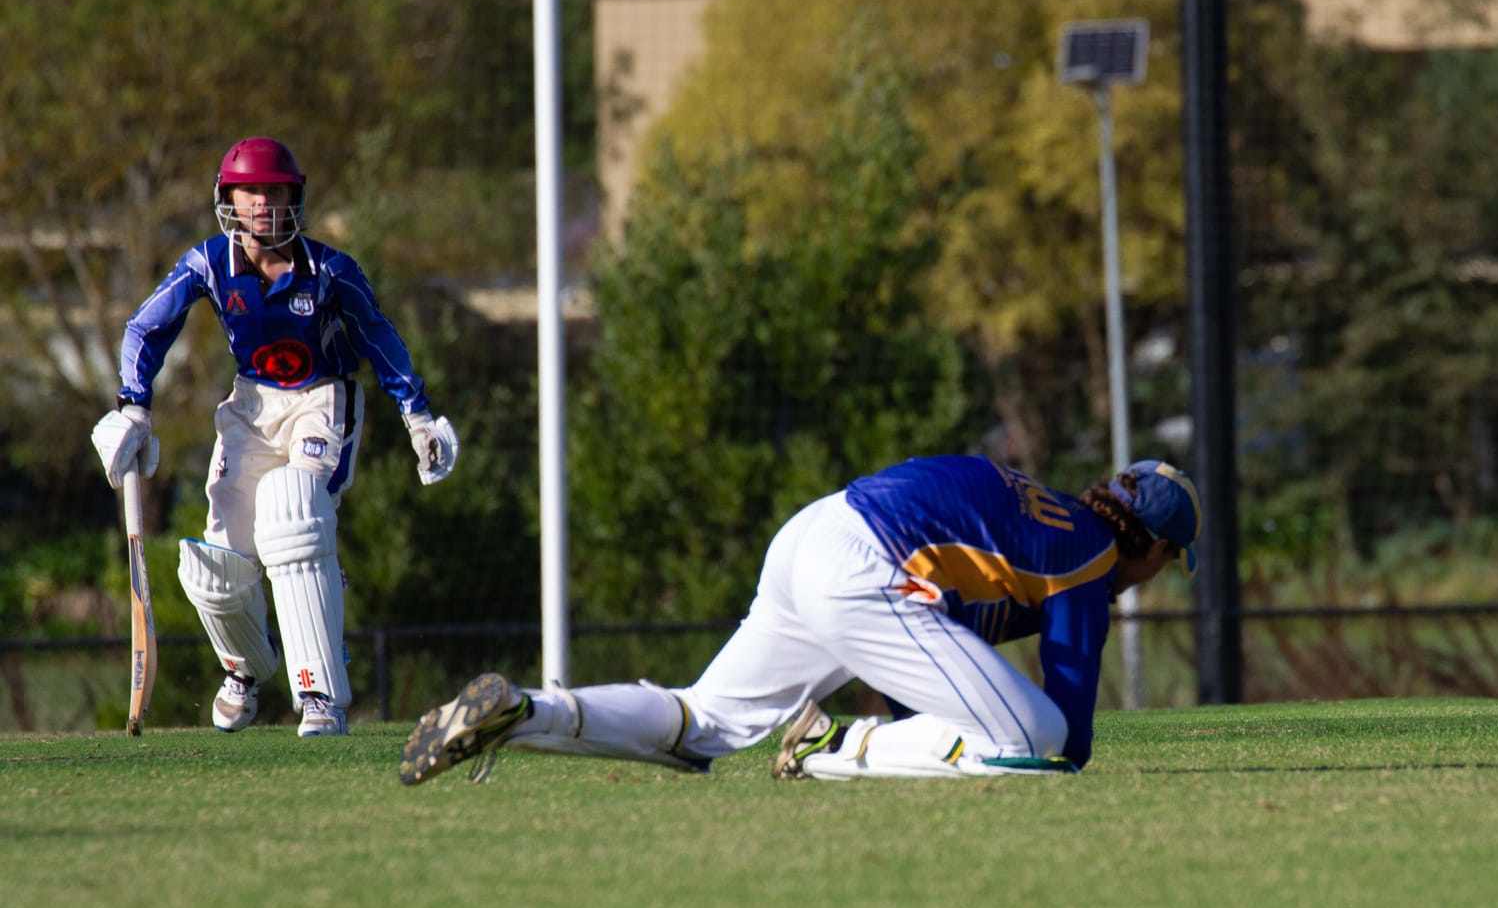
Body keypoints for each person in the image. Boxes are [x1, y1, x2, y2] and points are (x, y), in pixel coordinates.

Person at [400, 454, 1201, 786]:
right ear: (1155, 544)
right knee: (1038, 741)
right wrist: (880, 736)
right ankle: (831, 745)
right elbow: (1076, 739)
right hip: (865, 567)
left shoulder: (1051, 513)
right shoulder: (1091, 559)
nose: (1155, 576)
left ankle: (527, 709)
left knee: (702, 721)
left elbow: (932, 646)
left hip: (817, 530)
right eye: (1167, 560)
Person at [89, 137, 460, 738]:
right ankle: (246, 669)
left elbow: (377, 335)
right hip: (252, 403)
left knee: (294, 514)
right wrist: (134, 408)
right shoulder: (209, 264)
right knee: (217, 565)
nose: (263, 203)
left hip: (323, 398)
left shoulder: (332, 270)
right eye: (250, 191)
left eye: (275, 191)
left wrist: (416, 413)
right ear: (228, 199)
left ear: (295, 197)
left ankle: (321, 696)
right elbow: (145, 328)